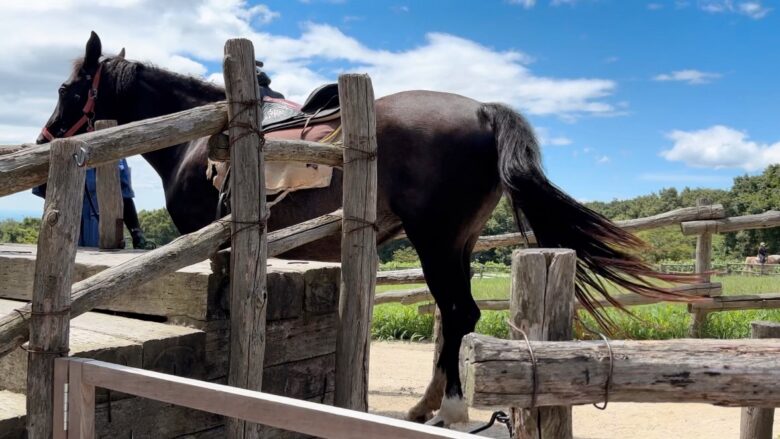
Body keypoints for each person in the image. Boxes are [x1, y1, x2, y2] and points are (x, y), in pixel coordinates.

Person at [33, 158, 154, 249]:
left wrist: (136, 232)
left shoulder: (116, 153)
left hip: (106, 237)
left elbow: (125, 197)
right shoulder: (59, 141)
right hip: (64, 234)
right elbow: (44, 189)